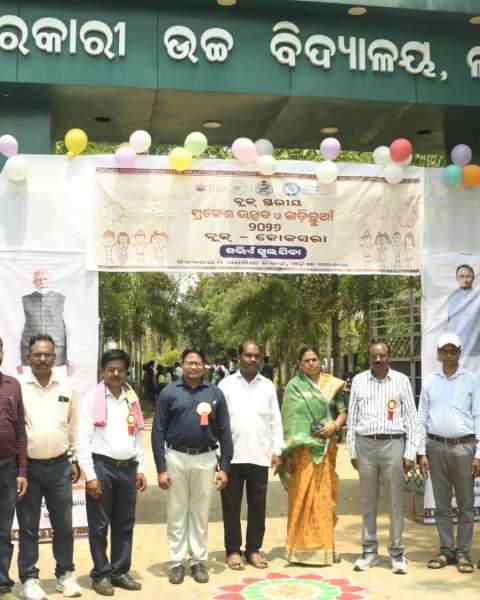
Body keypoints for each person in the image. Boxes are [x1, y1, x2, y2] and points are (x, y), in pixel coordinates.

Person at [151, 347, 233, 585]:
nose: (194, 367)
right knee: (177, 511)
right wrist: (161, 468)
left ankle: (198, 560)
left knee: (200, 511)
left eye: (198, 363)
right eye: (189, 363)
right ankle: (176, 561)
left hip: (206, 458)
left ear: (204, 365)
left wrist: (225, 467)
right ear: (182, 364)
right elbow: (157, 431)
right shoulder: (169, 392)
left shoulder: (215, 393)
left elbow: (225, 432)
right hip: (176, 457)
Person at [76, 349, 147, 596]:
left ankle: (120, 571)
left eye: (120, 370)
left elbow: (137, 435)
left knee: (125, 524)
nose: (116, 373)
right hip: (102, 468)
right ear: (102, 371)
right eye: (110, 369)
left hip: (128, 469)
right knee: (99, 526)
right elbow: (82, 440)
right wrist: (91, 476)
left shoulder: (131, 397)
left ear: (127, 372)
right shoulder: (91, 399)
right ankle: (101, 574)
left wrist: (140, 467)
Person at [17, 334, 81, 600]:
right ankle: (29, 579)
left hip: (59, 467)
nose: (42, 359)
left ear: (55, 357)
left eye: (47, 354)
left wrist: (73, 458)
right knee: (28, 527)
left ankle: (65, 575)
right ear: (28, 357)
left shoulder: (67, 386)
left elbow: (73, 425)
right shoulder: (18, 386)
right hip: (27, 469)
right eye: (37, 354)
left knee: (64, 525)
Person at [347, 340, 419, 574]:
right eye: (374, 356)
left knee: (395, 501)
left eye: (382, 355)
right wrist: (352, 450)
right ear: (368, 357)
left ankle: (397, 553)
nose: (378, 360)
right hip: (365, 445)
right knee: (368, 501)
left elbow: (412, 419)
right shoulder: (358, 381)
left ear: (389, 357)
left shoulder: (401, 380)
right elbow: (352, 419)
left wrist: (409, 452)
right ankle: (369, 552)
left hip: (393, 444)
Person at [418, 332, 480, 574]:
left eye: (452, 350)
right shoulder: (429, 381)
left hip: (464, 448)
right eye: (444, 350)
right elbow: (422, 417)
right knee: (442, 504)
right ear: (438, 354)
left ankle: (463, 552)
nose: (448, 354)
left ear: (459, 353)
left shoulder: (472, 380)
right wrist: (421, 452)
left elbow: (479, 416)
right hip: (435, 447)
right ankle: (446, 550)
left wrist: (478, 454)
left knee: (466, 504)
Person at [218, 341, 284, 570]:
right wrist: (218, 455)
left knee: (258, 505)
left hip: (259, 455)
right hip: (231, 457)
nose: (252, 359)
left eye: (257, 356)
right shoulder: (225, 385)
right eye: (248, 355)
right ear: (239, 357)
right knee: (231, 506)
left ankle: (253, 549)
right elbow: (217, 421)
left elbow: (275, 420)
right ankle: (233, 550)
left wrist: (277, 451)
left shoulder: (267, 386)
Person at [280, 346, 346, 565]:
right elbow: (288, 423)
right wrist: (287, 455)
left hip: (326, 449)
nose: (311, 363)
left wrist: (334, 425)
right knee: (302, 499)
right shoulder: (293, 387)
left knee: (324, 500)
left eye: (314, 359)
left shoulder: (332, 385)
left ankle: (327, 547)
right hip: (301, 453)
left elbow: (342, 412)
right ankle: (299, 550)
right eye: (306, 360)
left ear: (320, 361)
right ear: (300, 364)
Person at [0, 336, 28, 600]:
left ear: (1, 353)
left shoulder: (12, 385)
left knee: (3, 531)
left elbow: (20, 431)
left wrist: (21, 472)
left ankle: (2, 586)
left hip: (8, 471)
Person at [17, 270, 76, 376]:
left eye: (45, 279)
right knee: (30, 383)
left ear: (50, 281)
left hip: (57, 353)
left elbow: (70, 329)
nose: (42, 282)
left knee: (56, 383)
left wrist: (71, 358)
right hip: (30, 352)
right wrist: (17, 359)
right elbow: (18, 330)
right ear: (34, 282)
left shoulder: (62, 299)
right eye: (38, 280)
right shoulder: (25, 300)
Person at [446, 264, 480, 357]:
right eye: (462, 276)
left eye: (468, 276)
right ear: (457, 278)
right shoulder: (451, 298)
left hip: (475, 347)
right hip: (455, 346)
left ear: (473, 278)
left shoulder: (478, 297)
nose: (465, 279)